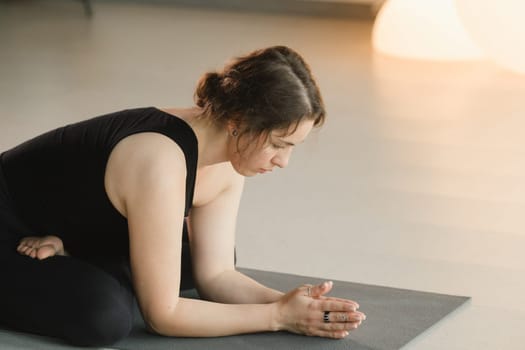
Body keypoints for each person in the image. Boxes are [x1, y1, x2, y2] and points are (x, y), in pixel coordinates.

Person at [0, 46, 365, 347]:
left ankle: (76, 251)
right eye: (276, 145)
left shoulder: (228, 158)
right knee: (105, 316)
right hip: (8, 227)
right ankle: (81, 257)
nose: (283, 162)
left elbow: (216, 274)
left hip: (63, 225)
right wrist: (277, 317)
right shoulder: (158, 159)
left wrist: (293, 304)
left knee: (194, 257)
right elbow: (163, 317)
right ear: (239, 122)